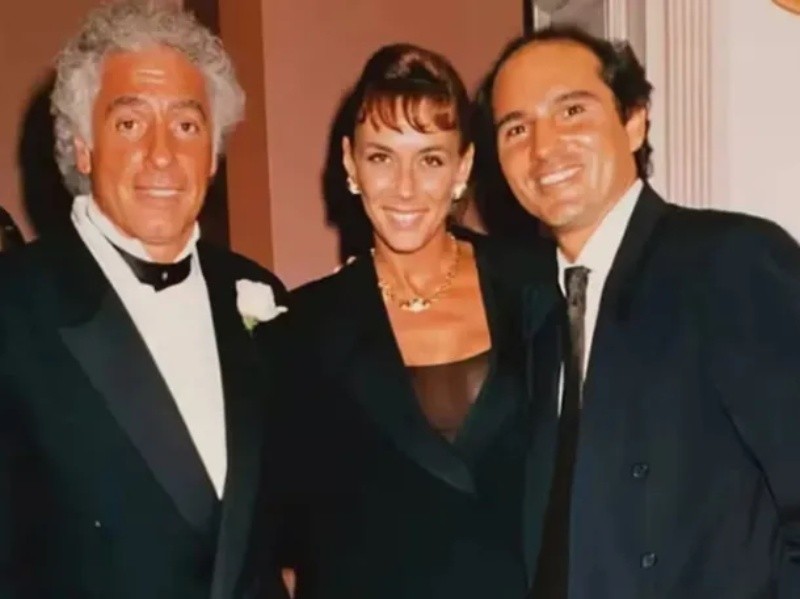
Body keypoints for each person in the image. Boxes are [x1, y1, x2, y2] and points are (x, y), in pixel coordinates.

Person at [481, 25, 800, 599]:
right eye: (516, 128)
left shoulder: (730, 261)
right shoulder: (535, 311)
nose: (543, 147)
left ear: (633, 121)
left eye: (571, 111)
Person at [0, 1, 290, 597]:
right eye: (130, 123)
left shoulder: (260, 296)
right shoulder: (14, 307)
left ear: (212, 154)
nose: (162, 154)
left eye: (186, 126)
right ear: (83, 146)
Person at [266, 43, 556, 599]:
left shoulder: (539, 288)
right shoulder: (302, 329)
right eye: (382, 157)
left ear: (462, 167)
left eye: (430, 159)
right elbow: (287, 535)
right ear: (350, 164)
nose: (405, 187)